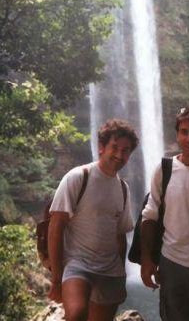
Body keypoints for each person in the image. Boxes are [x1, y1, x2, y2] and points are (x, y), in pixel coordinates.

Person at [47, 119, 139, 321]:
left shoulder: (123, 188)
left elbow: (120, 235)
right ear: (101, 147)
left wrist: (121, 273)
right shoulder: (78, 177)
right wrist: (56, 278)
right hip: (78, 264)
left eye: (126, 151)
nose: (119, 155)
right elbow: (56, 227)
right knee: (77, 314)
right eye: (114, 147)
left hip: (110, 270)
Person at [140, 107, 189, 321]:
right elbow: (150, 217)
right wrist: (147, 259)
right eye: (184, 132)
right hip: (172, 262)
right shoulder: (164, 170)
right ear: (177, 134)